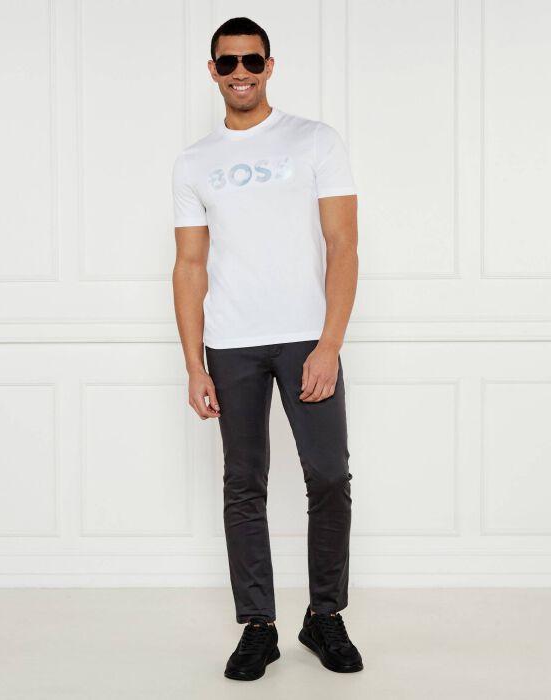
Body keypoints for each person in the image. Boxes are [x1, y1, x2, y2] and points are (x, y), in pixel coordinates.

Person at [171, 16, 363, 681]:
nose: (241, 73)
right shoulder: (194, 161)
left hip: (308, 336)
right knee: (243, 483)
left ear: (269, 66)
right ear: (213, 71)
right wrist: (193, 363)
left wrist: (329, 344)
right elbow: (189, 265)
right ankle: (258, 626)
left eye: (252, 60)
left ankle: (324, 615)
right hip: (231, 343)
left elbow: (343, 245)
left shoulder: (314, 140)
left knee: (329, 475)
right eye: (228, 62)